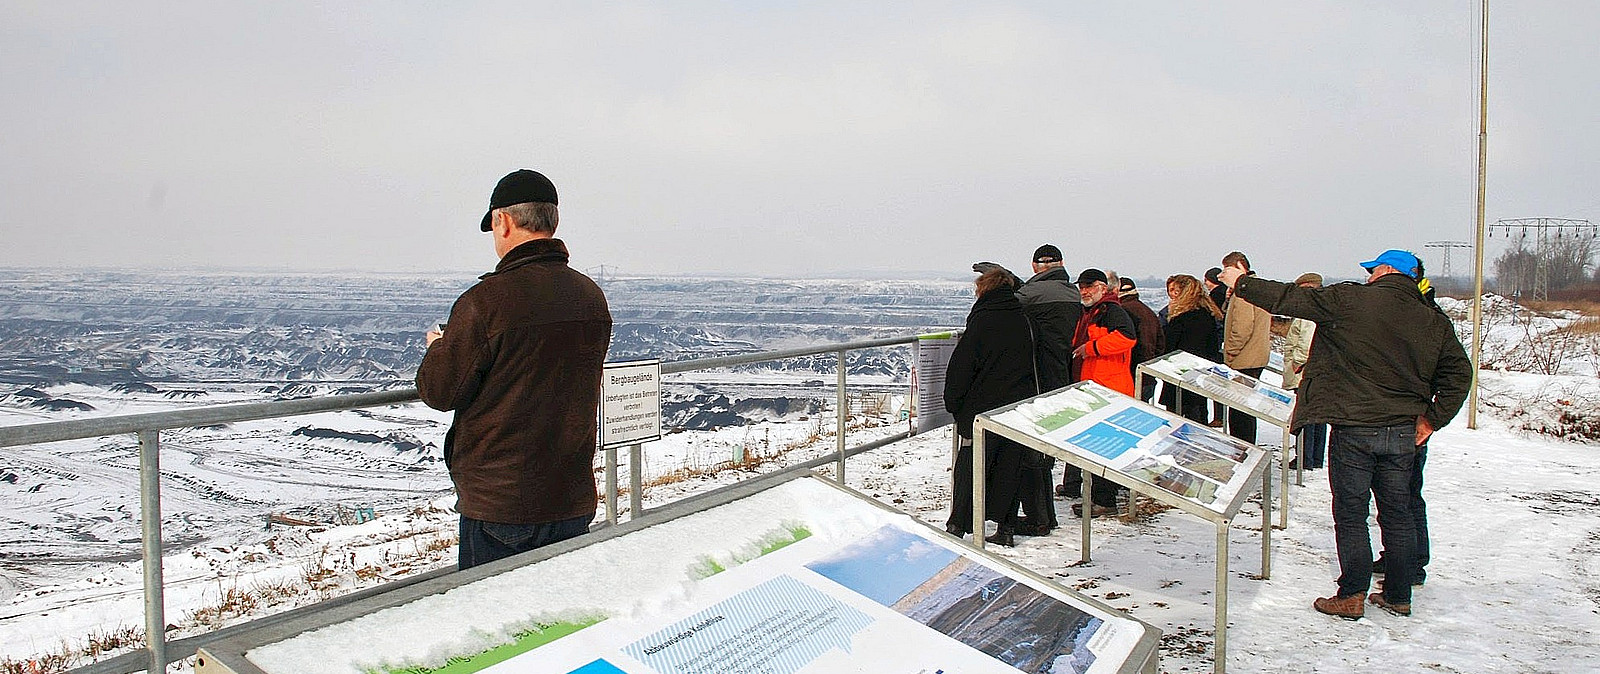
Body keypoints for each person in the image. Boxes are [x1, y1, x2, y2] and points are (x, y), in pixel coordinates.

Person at [1220, 249, 1471, 619]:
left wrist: (1241, 283)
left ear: (1386, 271)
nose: (1368, 276)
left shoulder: (1350, 299)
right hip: (1403, 430)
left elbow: (1290, 297)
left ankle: (1352, 594)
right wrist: (1432, 419)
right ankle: (1399, 595)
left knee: (1352, 513)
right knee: (1398, 512)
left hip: (1354, 427)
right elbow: (1459, 374)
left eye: (1372, 270)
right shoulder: (1432, 319)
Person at [417, 169, 613, 571]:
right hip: (571, 497)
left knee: (494, 623)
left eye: (491, 225)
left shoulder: (486, 302)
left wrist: (440, 348)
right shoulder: (589, 296)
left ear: (502, 220)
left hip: (502, 506)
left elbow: (440, 391)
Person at [944, 268, 1038, 547]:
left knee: (971, 465)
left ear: (984, 289)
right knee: (1010, 465)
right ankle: (1005, 526)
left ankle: (958, 524)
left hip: (981, 407)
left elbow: (962, 366)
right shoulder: (1024, 319)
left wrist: (955, 404)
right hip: (1016, 407)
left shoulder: (982, 319)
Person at [1374, 262, 1442, 586]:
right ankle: (1401, 560)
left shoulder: (1423, 315)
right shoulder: (1423, 309)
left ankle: (1412, 564)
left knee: (1405, 497)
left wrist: (1430, 418)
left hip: (1410, 421)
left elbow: (1451, 372)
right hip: (1406, 418)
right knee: (1402, 497)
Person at [1012, 244, 1083, 535]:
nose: (1043, 266)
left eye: (1045, 262)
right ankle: (1043, 516)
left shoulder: (1035, 294)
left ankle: (1038, 518)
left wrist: (1007, 283)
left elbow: (1016, 303)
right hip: (1060, 373)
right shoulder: (1071, 292)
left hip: (1038, 375)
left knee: (1032, 451)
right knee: (1042, 450)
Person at [1065, 268, 1137, 517]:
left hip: (1109, 387)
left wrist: (1092, 348)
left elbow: (1128, 338)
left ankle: (1105, 500)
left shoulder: (1111, 311)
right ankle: (1101, 498)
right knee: (1097, 448)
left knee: (1104, 446)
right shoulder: (1091, 311)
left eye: (1090, 286)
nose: (1084, 291)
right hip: (1095, 386)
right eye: (1081, 287)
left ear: (1103, 288)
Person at [1219, 252, 1271, 444]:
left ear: (1240, 266)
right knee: (1246, 409)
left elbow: (1242, 327)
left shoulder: (1245, 292)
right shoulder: (1258, 288)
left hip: (1244, 357)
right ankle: (1246, 444)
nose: (1224, 273)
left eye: (1227, 269)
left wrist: (1230, 351)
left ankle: (1241, 447)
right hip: (1256, 355)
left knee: (1240, 410)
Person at [1159, 274, 1223, 424]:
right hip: (1199, 375)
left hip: (1180, 374)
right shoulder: (1208, 314)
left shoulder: (1181, 318)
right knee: (1198, 412)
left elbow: (1169, 345)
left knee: (1179, 417)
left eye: (1175, 292)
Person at [1283, 272, 1327, 470]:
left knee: (1307, 416)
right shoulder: (1323, 307)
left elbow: (1306, 341)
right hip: (1319, 370)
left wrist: (1298, 363)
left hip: (1305, 370)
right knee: (1319, 416)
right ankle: (1315, 457)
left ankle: (1305, 457)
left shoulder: (1309, 311)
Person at [1117, 277, 1165, 403]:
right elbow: (1161, 344)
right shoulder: (1148, 311)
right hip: (1148, 373)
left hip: (1133, 374)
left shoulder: (1122, 312)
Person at [1203, 267, 1230, 426]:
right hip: (1222, 345)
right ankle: (1220, 415)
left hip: (1217, 346)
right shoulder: (1226, 294)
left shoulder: (1214, 297)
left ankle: (1219, 417)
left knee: (1216, 384)